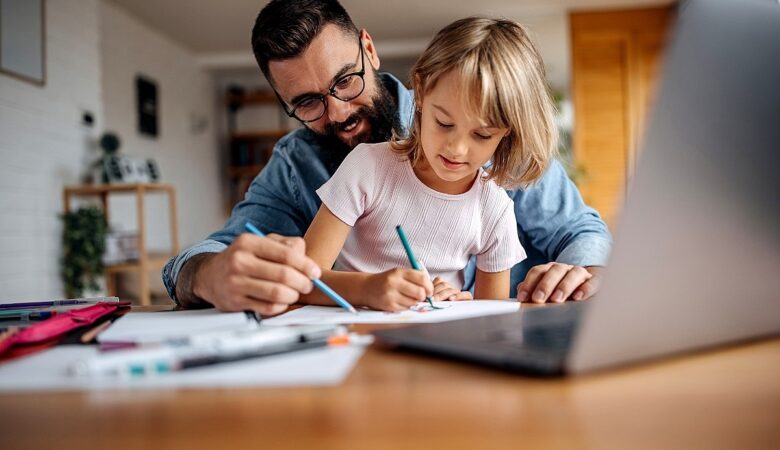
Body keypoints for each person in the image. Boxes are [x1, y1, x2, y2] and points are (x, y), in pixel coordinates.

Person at [162, 0, 612, 314]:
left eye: (344, 81)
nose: (338, 112)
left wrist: (584, 273)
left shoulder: (481, 119)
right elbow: (220, 252)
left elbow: (578, 230)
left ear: (369, 50)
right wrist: (207, 275)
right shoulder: (297, 165)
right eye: (307, 102)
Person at [301, 17, 554, 311]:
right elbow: (302, 281)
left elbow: (491, 323)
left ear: (507, 130)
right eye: (444, 123)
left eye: (482, 134)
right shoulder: (366, 167)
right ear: (420, 92)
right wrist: (368, 289)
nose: (457, 149)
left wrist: (461, 304)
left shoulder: (494, 210)